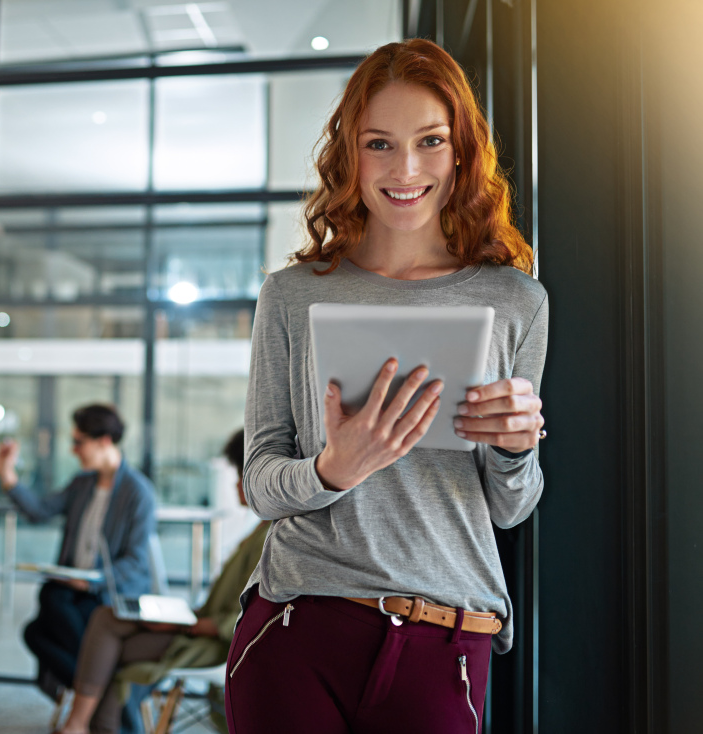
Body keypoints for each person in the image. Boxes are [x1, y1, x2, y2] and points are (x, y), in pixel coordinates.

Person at [224, 39, 548, 734]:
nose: (405, 169)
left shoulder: (515, 301)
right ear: (350, 154)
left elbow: (511, 508)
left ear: (461, 151)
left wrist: (518, 451)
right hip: (297, 625)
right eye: (379, 144)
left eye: (430, 141)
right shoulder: (290, 296)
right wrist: (333, 469)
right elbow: (261, 481)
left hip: (446, 638)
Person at [56, 429, 265, 734]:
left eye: (240, 475)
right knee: (103, 618)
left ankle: (79, 724)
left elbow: (238, 621)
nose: (235, 484)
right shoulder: (259, 532)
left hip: (210, 641)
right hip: (196, 624)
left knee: (105, 650)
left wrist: (183, 625)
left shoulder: (268, 538)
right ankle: (83, 724)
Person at [0, 404, 157, 699]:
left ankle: (94, 692)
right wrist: (7, 475)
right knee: (43, 613)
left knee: (43, 620)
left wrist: (93, 580)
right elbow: (40, 511)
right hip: (73, 587)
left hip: (107, 591)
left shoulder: (138, 492)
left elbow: (136, 560)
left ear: (104, 441)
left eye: (79, 442)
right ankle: (104, 687)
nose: (73, 450)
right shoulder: (81, 484)